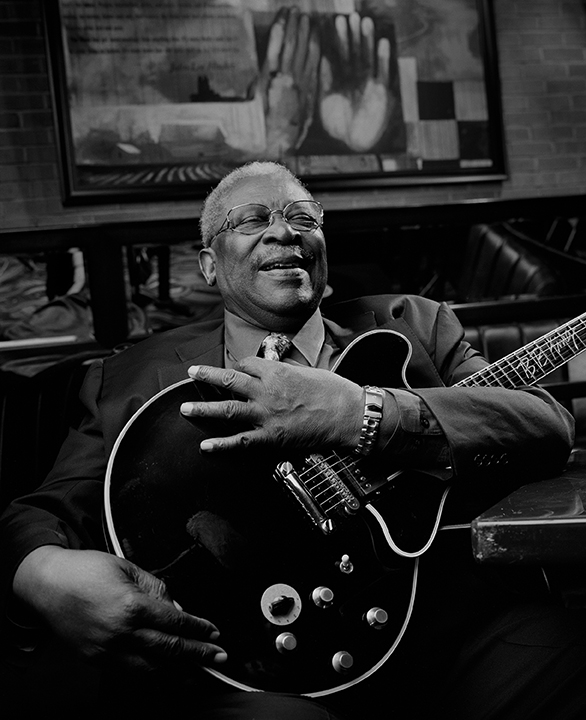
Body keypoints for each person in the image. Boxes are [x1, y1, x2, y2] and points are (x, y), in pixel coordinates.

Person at [0, 161, 583, 719]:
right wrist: (41, 573)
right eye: (252, 220)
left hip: (447, 635)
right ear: (208, 265)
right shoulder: (126, 378)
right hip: (238, 667)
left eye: (303, 218)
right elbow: (39, 515)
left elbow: (543, 424)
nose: (284, 231)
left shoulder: (416, 325)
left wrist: (365, 412)